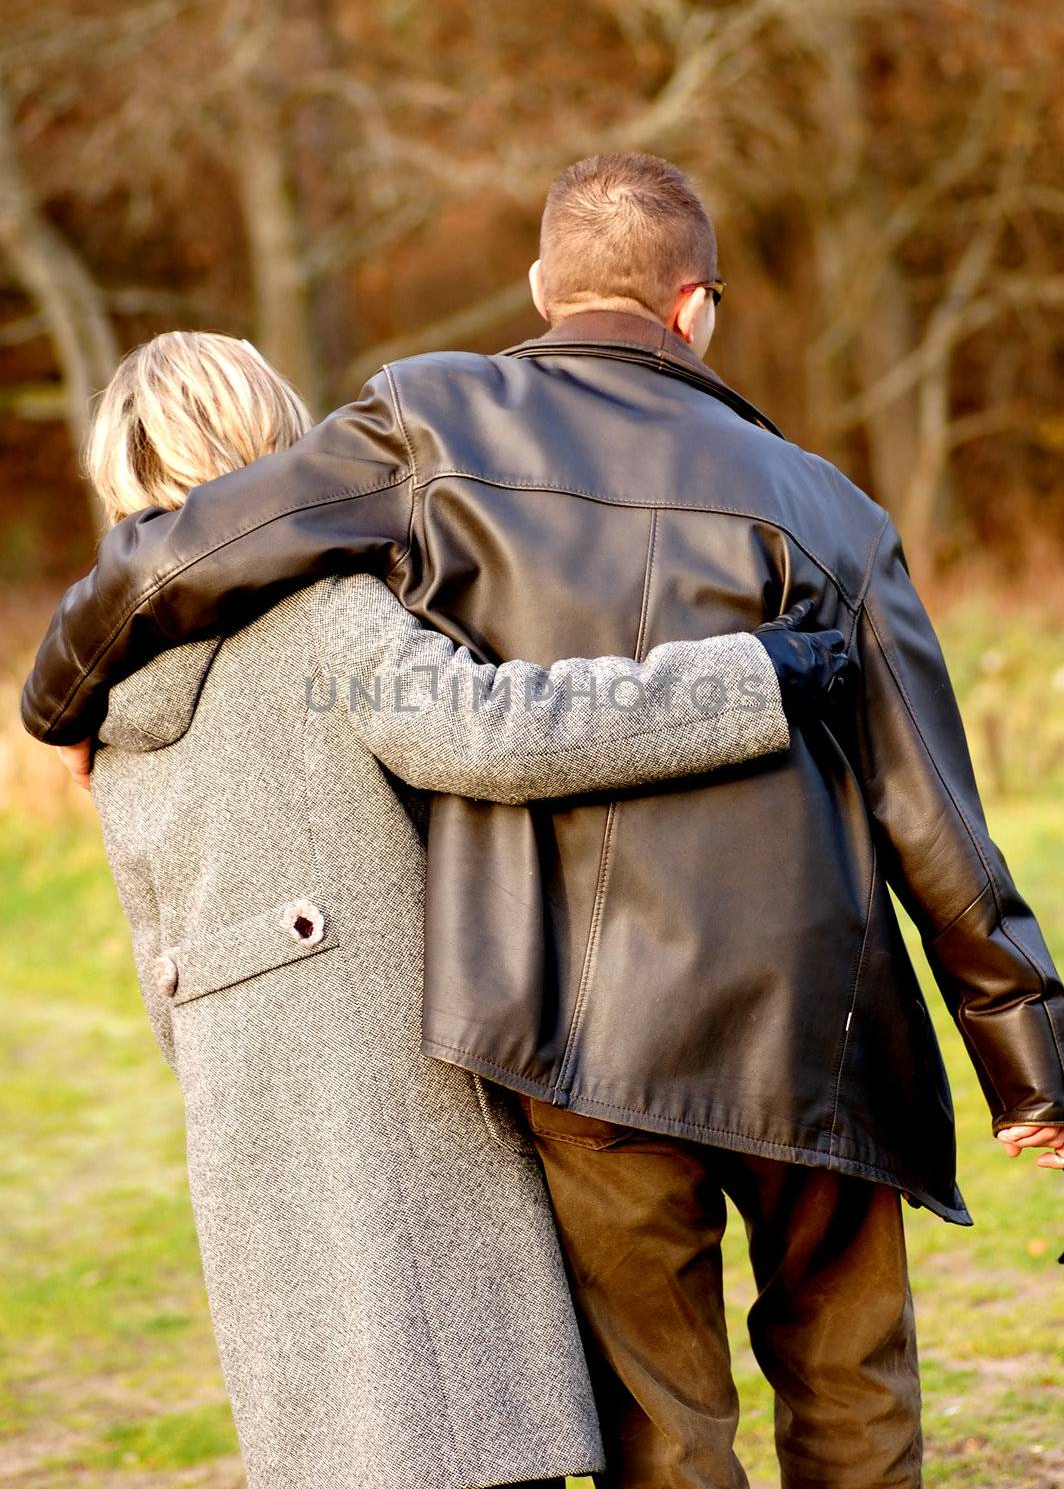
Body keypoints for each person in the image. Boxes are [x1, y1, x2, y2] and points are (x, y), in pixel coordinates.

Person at [23, 156, 1064, 1489]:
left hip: (584, 1024)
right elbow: (934, 807)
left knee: (661, 1420)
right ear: (698, 309)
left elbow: (178, 555)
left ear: (539, 287)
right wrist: (1023, 1047)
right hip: (816, 1021)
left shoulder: (429, 426)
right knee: (852, 1385)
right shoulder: (833, 511)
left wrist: (59, 699)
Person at [64, 330, 848, 1489]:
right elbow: (495, 729)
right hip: (396, 1100)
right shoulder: (320, 612)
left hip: (242, 1116)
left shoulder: (106, 701)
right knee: (468, 1435)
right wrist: (746, 675)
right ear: (265, 434)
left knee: (352, 1446)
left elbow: (154, 956)